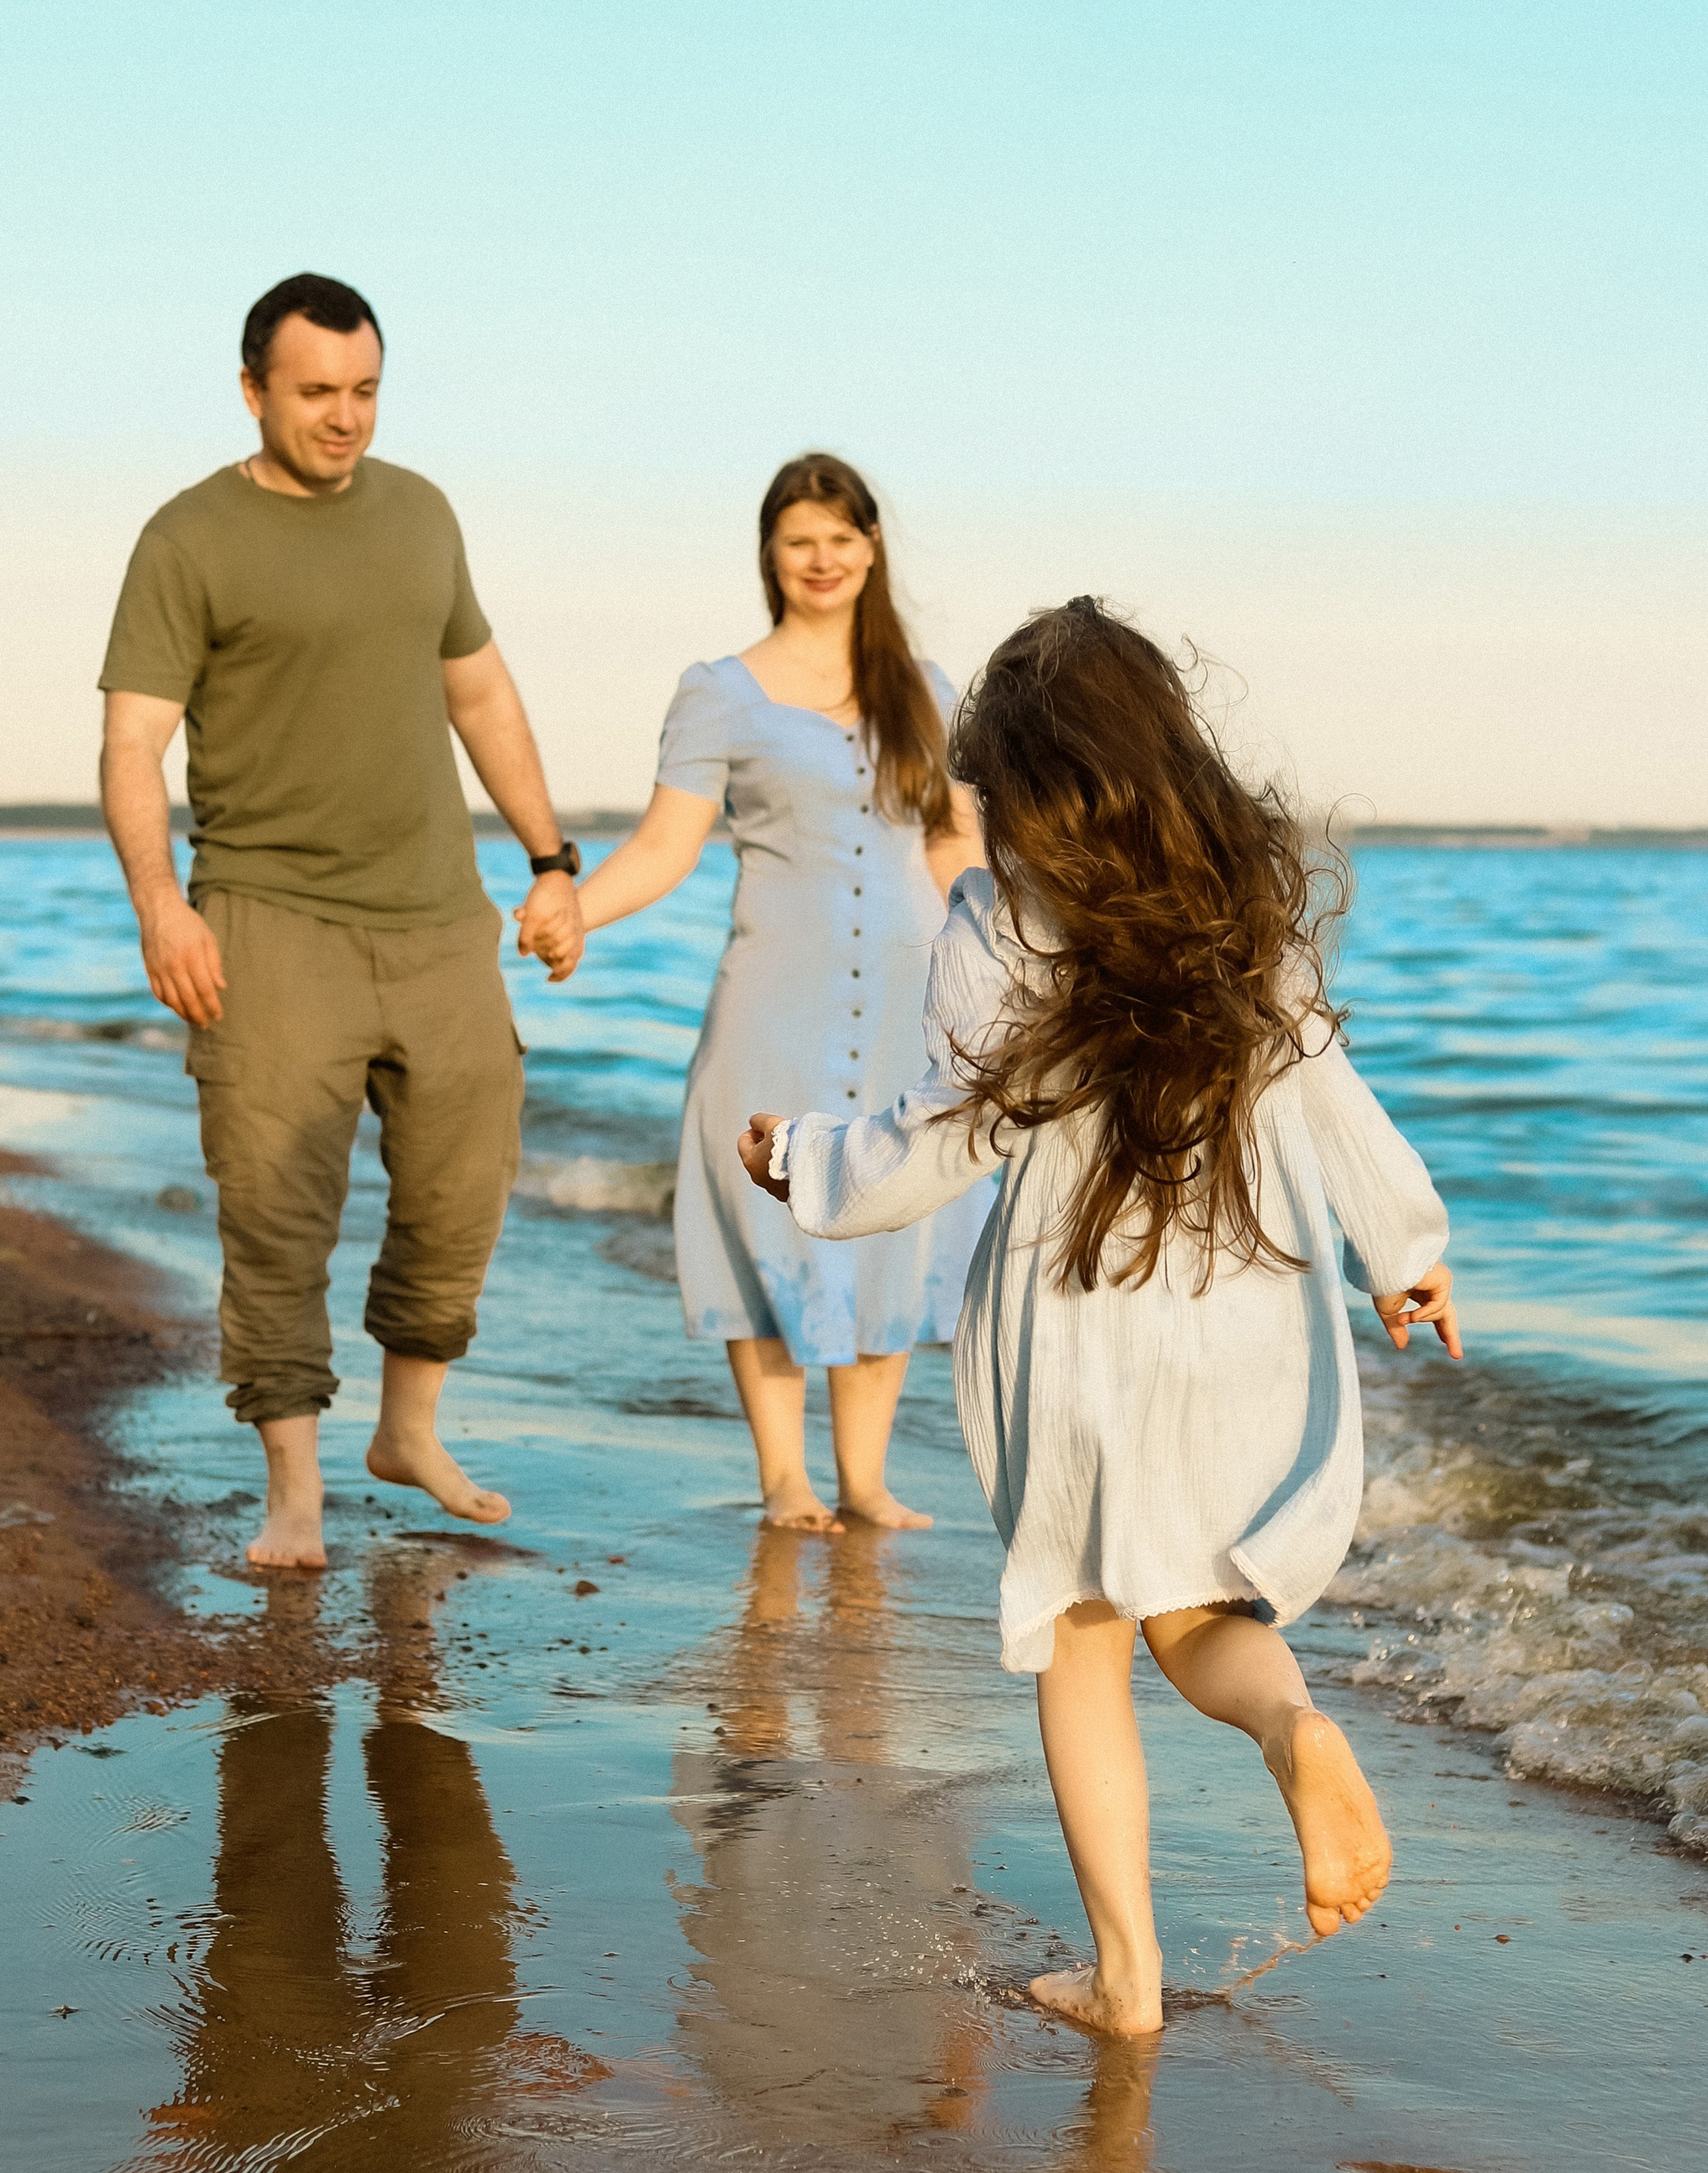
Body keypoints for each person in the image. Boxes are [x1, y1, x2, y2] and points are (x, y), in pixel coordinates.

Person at [737, 599, 1463, 2035]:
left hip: (1078, 1322)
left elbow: (942, 1141)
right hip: (1244, 1311)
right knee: (1202, 1610)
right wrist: (1408, 1247)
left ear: (1033, 794)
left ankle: (1126, 1978)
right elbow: (1330, 1093)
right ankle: (1291, 1726)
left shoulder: (997, 930)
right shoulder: (1245, 919)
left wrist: (799, 1158)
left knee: (1083, 1633)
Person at [97, 271, 584, 1568]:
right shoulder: (188, 539)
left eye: (365, 390)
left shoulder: (421, 514)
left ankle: (406, 1429)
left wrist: (551, 861)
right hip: (266, 918)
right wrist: (162, 907)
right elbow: (132, 743)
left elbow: (481, 695)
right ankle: (295, 1491)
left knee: (466, 1175)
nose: (345, 417)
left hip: (436, 916)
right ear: (252, 387)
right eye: (316, 392)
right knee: (275, 1209)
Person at [568, 453, 994, 1531]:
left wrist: (1015, 949)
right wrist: (575, 908)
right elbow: (668, 846)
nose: (823, 560)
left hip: (910, 997)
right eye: (801, 539)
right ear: (770, 550)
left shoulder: (930, 691)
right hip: (773, 997)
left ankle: (864, 1480)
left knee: (894, 1209)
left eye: (842, 539)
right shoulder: (718, 690)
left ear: (872, 548)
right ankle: (785, 1480)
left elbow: (955, 844)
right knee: (772, 1215)